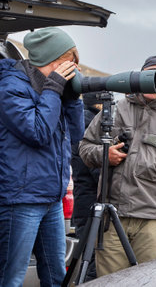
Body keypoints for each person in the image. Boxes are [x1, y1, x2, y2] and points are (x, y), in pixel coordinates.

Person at [79, 54, 156, 276]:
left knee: (149, 281)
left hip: (152, 220)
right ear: (138, 77)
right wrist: (104, 155)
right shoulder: (115, 110)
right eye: (151, 74)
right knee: (109, 282)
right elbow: (85, 148)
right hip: (111, 216)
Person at [0, 27, 84, 287]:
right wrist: (54, 90)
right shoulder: (11, 89)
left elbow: (76, 135)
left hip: (51, 198)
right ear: (53, 63)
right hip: (22, 198)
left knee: (56, 276)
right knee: (13, 278)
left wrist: (72, 98)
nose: (72, 72)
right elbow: (38, 132)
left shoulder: (53, 90)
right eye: (68, 65)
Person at [71, 92, 103, 281]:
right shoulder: (91, 125)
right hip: (91, 202)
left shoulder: (81, 119)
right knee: (93, 262)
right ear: (99, 105)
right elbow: (96, 169)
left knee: (89, 258)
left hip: (84, 199)